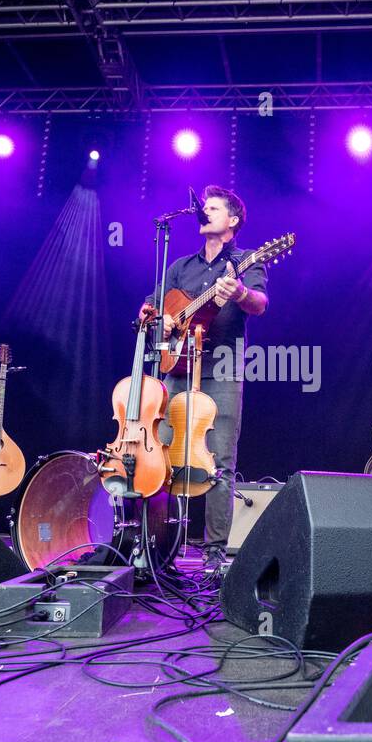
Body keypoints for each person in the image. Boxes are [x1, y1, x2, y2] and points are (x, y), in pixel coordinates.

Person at [141, 186, 268, 571]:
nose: (204, 211)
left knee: (218, 459)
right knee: (160, 454)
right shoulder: (181, 265)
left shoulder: (247, 259)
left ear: (232, 221)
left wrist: (241, 291)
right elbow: (152, 305)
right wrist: (159, 316)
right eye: (204, 206)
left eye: (213, 208)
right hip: (176, 366)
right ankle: (157, 546)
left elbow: (260, 304)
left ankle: (214, 552)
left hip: (222, 367)